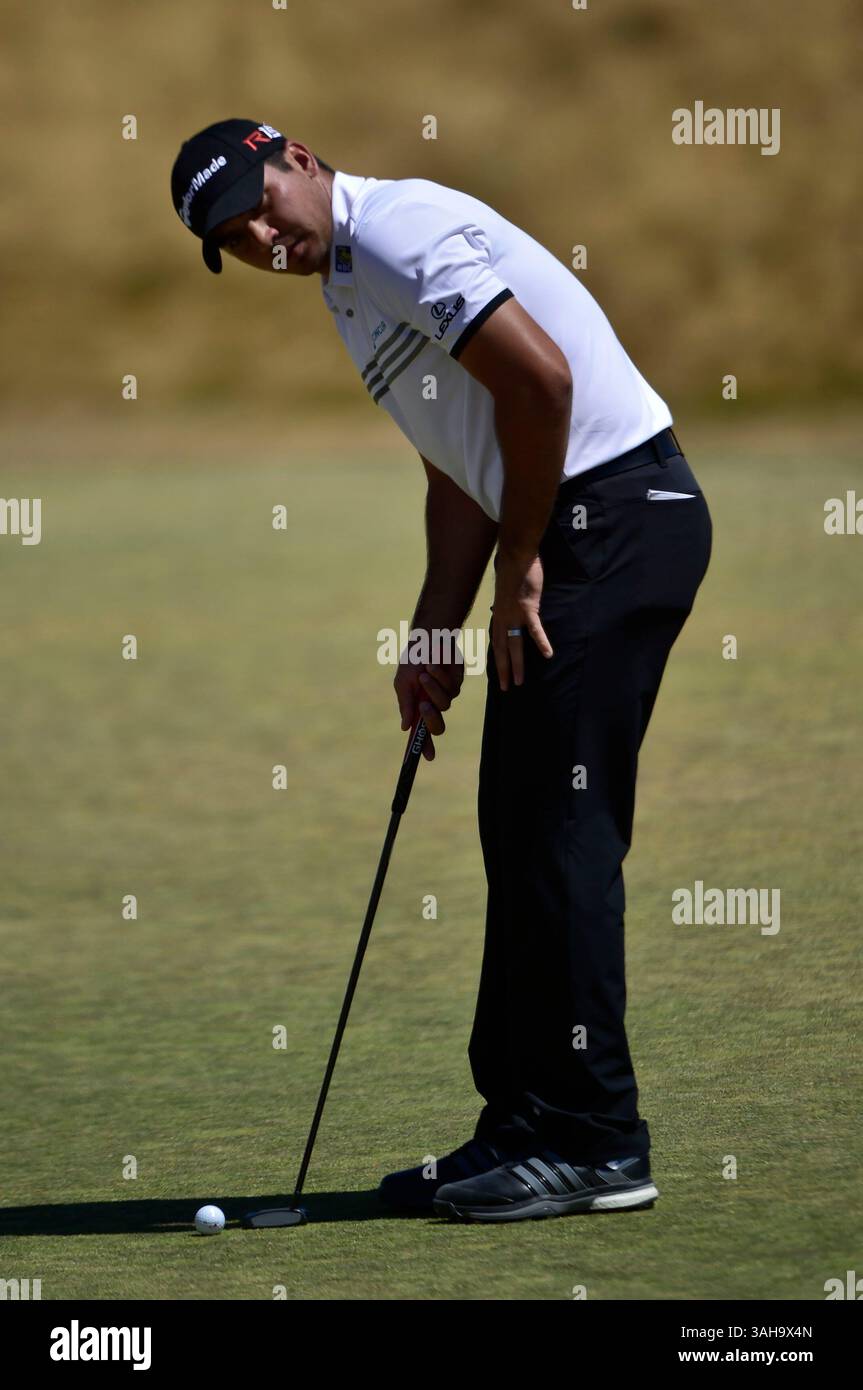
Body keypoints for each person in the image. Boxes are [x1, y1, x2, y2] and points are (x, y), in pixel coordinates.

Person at [170, 119, 713, 1222]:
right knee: (517, 824)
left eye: (264, 205)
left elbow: (541, 388)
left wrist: (521, 568)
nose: (267, 238)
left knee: (561, 830)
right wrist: (431, 629)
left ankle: (596, 1140)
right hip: (565, 527)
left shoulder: (404, 230)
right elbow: (462, 457)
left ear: (299, 158)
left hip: (610, 517)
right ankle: (525, 1124)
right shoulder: (347, 286)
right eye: (241, 240)